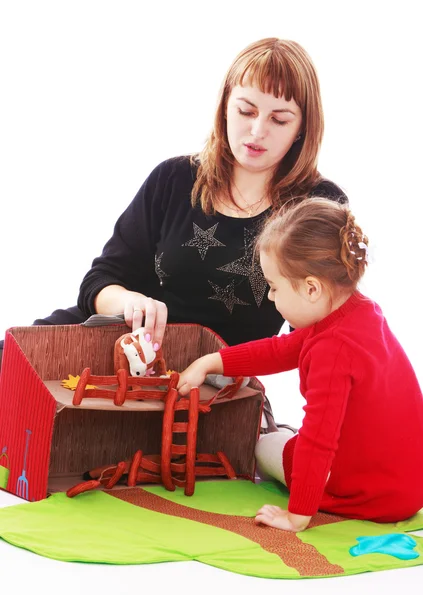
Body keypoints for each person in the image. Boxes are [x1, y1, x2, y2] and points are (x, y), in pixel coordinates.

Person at [31, 38, 347, 430]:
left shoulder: (319, 205)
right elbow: (98, 283)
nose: (257, 130)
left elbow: (323, 336)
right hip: (113, 353)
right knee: (11, 364)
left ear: (302, 127)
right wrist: (129, 301)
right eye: (245, 110)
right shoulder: (175, 177)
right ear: (225, 106)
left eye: (279, 119)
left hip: (210, 382)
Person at [176, 198, 423, 532]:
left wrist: (297, 517)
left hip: (368, 496)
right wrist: (212, 361)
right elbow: (281, 350)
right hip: (408, 488)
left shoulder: (333, 350)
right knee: (295, 438)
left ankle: (302, 475)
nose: (270, 298)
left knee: (265, 447)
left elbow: (319, 442)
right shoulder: (360, 313)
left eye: (275, 287)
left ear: (311, 289)